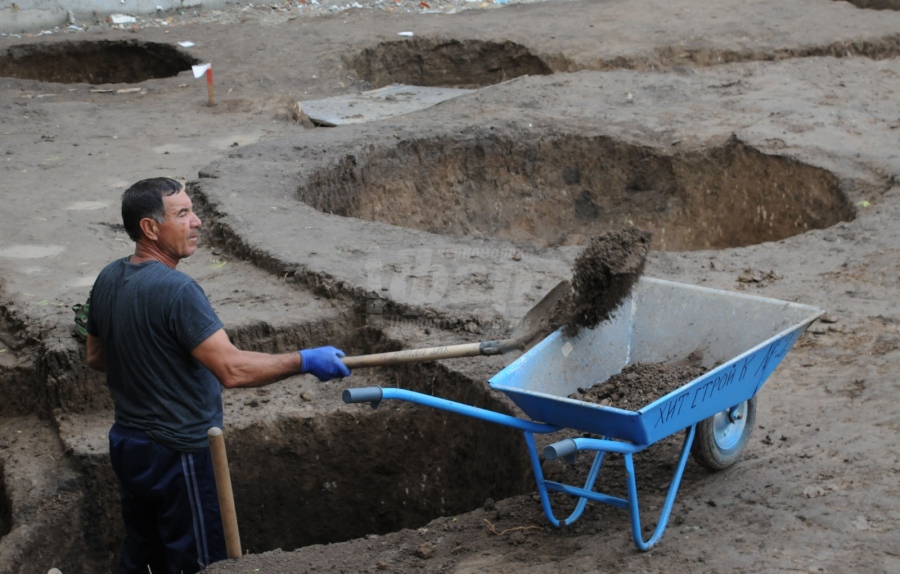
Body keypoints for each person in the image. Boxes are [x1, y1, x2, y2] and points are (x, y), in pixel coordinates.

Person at [85, 177, 351, 574]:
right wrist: (304, 360)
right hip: (179, 452)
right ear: (150, 228)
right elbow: (231, 369)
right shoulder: (177, 290)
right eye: (183, 213)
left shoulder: (108, 277)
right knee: (200, 561)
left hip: (129, 444)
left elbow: (95, 356)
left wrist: (151, 363)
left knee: (143, 557)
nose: (197, 222)